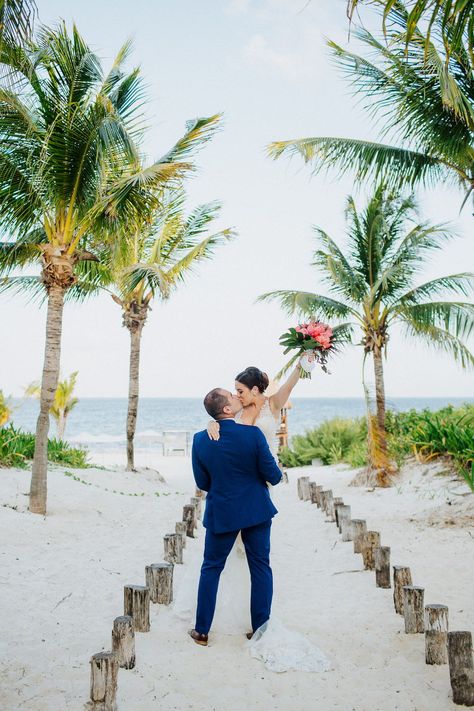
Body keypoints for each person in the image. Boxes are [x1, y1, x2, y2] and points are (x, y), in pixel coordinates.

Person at [188, 387, 283, 646]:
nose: (237, 396)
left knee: (211, 568)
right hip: (255, 510)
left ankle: (201, 631)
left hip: (223, 511)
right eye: (232, 395)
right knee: (260, 567)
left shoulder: (199, 439)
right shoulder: (253, 435)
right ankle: (260, 629)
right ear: (227, 409)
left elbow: (203, 482)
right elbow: (274, 476)